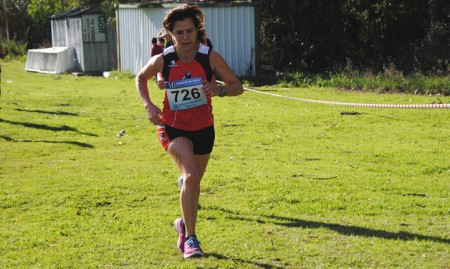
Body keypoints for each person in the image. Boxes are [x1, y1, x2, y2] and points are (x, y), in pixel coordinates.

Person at [135, 4, 244, 258]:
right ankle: (191, 239)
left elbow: (237, 86)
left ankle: (182, 223)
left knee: (193, 183)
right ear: (170, 34)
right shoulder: (165, 59)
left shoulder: (209, 57)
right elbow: (140, 78)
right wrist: (149, 105)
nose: (185, 37)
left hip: (204, 128)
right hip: (173, 127)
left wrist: (218, 90)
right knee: (192, 176)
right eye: (179, 32)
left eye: (190, 31)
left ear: (198, 31)